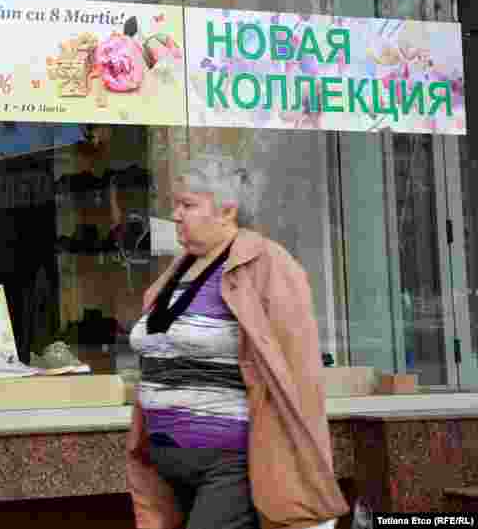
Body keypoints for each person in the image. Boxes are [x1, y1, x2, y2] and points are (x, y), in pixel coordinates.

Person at [124, 154, 348, 529]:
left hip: (229, 462)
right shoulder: (179, 268)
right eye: (175, 205)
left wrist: (307, 466)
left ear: (228, 211)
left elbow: (299, 374)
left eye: (188, 205)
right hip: (167, 463)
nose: (176, 215)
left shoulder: (268, 265)